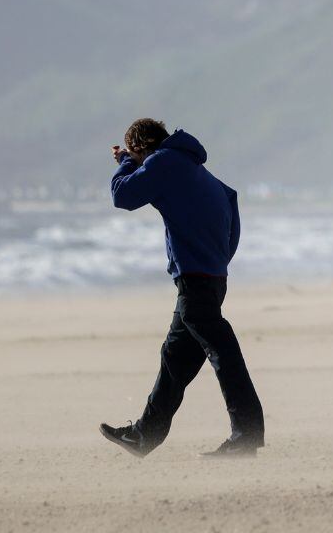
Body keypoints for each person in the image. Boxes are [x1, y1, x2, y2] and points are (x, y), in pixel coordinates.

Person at [99, 118, 265, 458]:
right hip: (210, 278)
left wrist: (126, 164)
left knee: (225, 355)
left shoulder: (164, 161)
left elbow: (124, 196)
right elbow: (231, 206)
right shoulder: (196, 169)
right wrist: (217, 263)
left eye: (137, 155)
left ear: (143, 148)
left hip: (197, 280)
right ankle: (144, 435)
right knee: (175, 359)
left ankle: (246, 435)